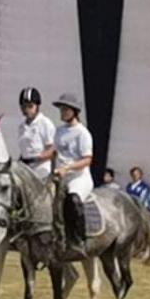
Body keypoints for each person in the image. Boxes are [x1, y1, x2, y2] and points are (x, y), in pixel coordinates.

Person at [51, 92, 94, 258]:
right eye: (61, 109)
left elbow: (87, 160)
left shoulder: (83, 133)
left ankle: (79, 241)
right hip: (60, 176)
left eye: (65, 109)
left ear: (74, 111)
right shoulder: (59, 131)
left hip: (79, 177)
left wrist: (67, 168)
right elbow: (55, 154)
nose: (62, 112)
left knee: (74, 200)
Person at [17, 87, 57, 180]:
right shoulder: (21, 126)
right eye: (23, 107)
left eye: (30, 106)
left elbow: (53, 151)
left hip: (41, 168)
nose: (26, 110)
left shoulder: (45, 123)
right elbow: (25, 150)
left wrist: (35, 158)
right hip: (25, 167)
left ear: (37, 106)